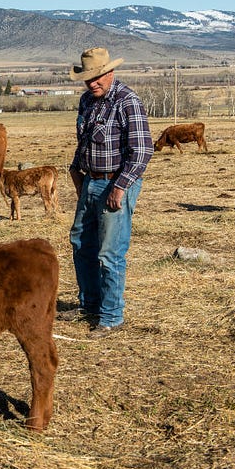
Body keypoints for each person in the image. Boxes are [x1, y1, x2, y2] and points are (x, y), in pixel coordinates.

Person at [63, 47, 153, 338]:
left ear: (110, 72)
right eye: (88, 79)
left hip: (117, 182)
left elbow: (142, 151)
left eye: (98, 77)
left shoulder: (127, 100)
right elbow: (85, 141)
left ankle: (111, 316)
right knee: (81, 242)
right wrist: (76, 170)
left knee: (109, 252)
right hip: (91, 180)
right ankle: (89, 304)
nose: (93, 83)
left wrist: (120, 186)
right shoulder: (87, 100)